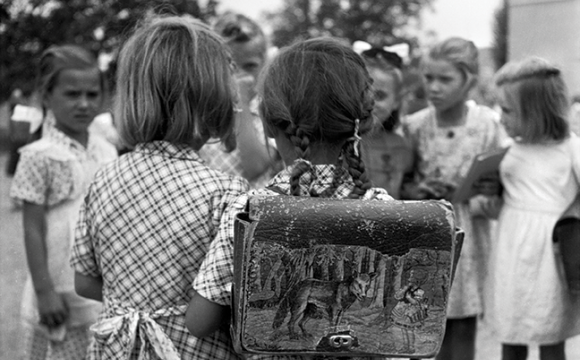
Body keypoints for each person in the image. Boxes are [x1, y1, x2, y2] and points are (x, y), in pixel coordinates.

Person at [186, 37, 393, 358]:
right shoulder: (385, 210)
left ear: (268, 122)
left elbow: (199, 322)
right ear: (361, 121)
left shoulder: (249, 211)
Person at [70, 15, 249, 359]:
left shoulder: (105, 177)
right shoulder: (225, 193)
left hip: (115, 349)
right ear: (214, 100)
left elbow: (84, 281)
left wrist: (135, 303)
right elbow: (218, 311)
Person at [399, 37, 506, 360]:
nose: (434, 87)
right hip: (426, 235)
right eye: (428, 78)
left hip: (470, 234)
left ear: (469, 81)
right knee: (426, 320)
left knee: (463, 324)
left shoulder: (487, 126)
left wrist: (487, 188)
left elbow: (499, 181)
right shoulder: (414, 126)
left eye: (445, 79)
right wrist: (415, 191)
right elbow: (400, 182)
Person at [9, 44, 118, 359]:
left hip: (101, 288)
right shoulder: (38, 156)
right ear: (47, 97)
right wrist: (45, 293)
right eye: (72, 95)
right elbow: (33, 228)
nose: (84, 104)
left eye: (92, 94)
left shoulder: (106, 150)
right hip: (60, 289)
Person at [485, 56, 580, 360]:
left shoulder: (570, 148)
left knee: (549, 328)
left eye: (508, 110)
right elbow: (500, 199)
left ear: (536, 112)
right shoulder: (511, 149)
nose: (501, 118)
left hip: (551, 254)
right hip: (511, 248)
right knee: (511, 329)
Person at [199, 12, 282, 188]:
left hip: (248, 211)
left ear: (264, 64)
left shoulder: (271, 109)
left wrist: (240, 103)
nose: (239, 76)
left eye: (249, 66)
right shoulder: (202, 108)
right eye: (230, 66)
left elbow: (256, 166)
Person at [359, 46, 413, 198]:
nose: (369, 103)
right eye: (361, 93)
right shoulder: (336, 145)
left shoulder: (402, 146)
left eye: (380, 96)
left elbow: (405, 193)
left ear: (396, 101)